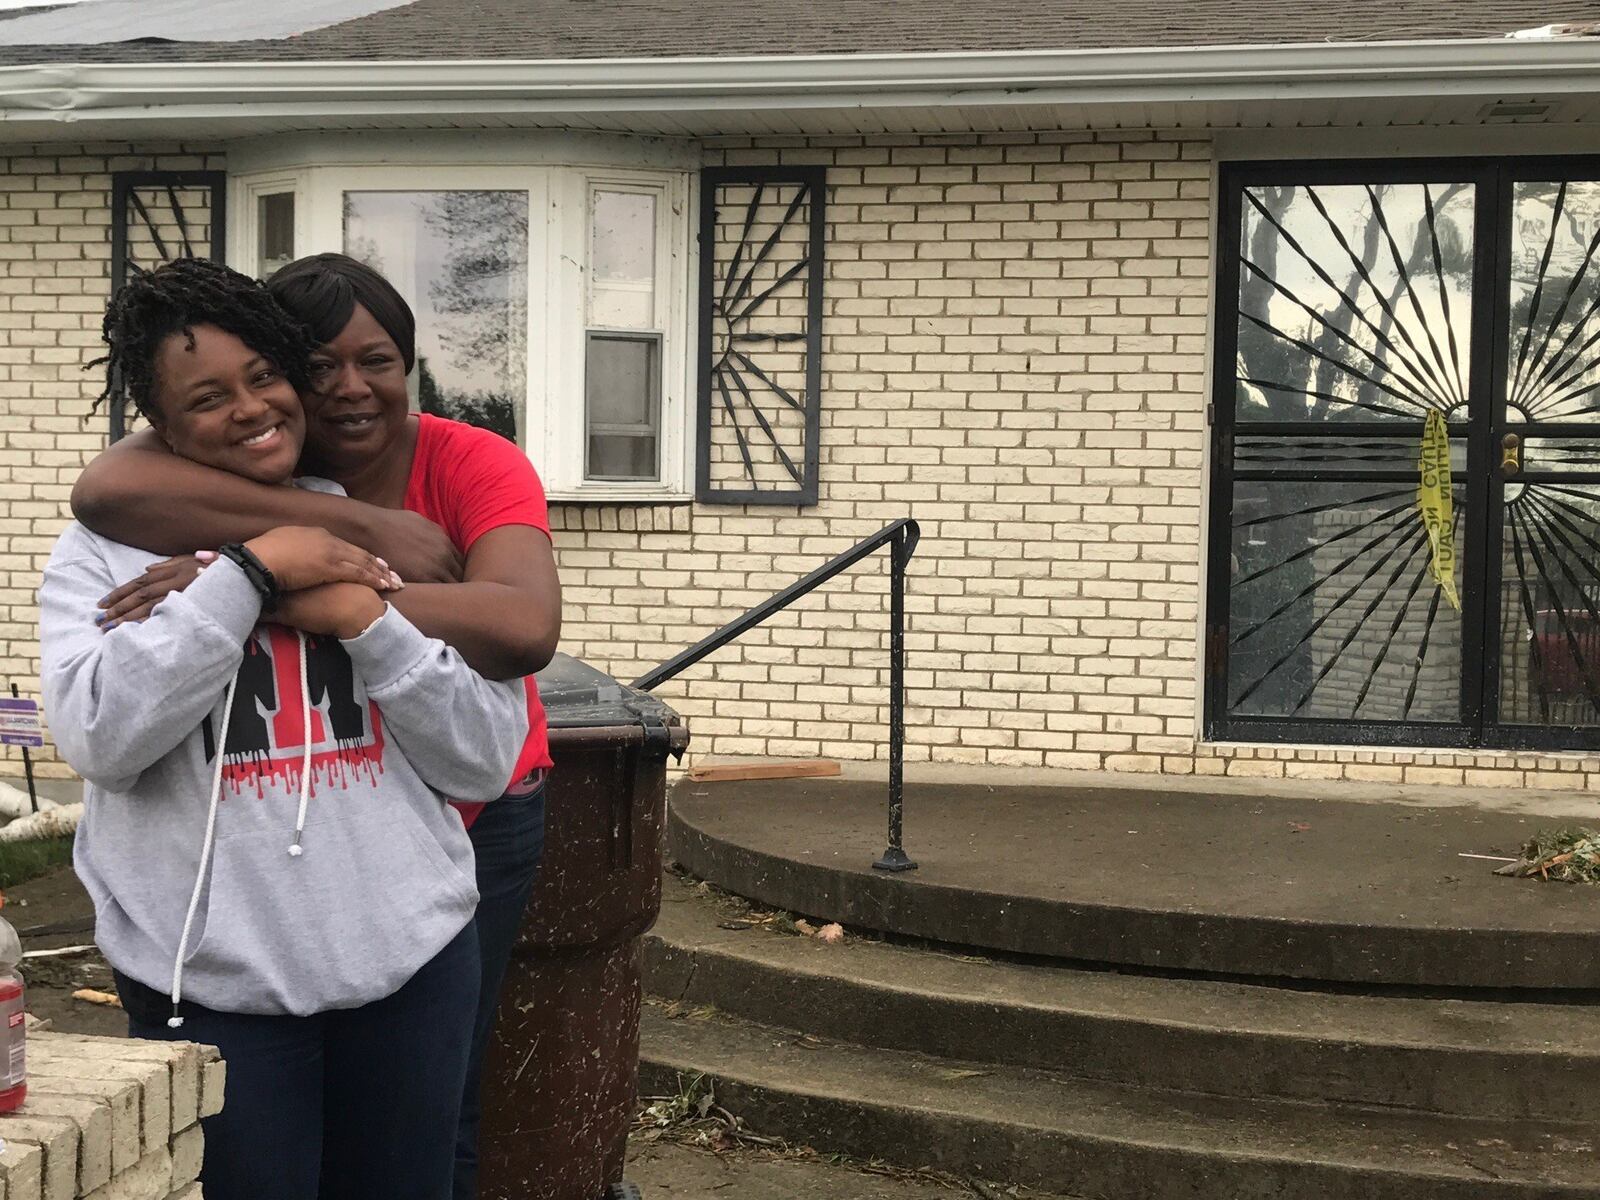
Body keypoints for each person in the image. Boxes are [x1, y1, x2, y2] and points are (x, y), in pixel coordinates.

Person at [71, 253, 560, 1200]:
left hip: (482, 810)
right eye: (315, 365)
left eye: (376, 360)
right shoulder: (223, 472)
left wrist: (297, 591)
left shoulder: (469, 462)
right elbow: (101, 494)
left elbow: (522, 629)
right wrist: (272, 557)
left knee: (439, 1107)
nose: (347, 389)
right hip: (267, 902)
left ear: (411, 364)